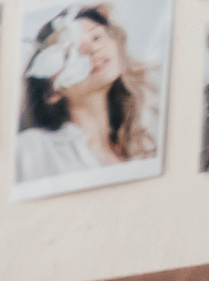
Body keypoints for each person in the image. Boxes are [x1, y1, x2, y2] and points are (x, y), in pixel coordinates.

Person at [17, 5, 162, 178]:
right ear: (51, 92)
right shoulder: (32, 148)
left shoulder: (146, 147)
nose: (92, 50)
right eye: (69, 52)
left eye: (97, 37)